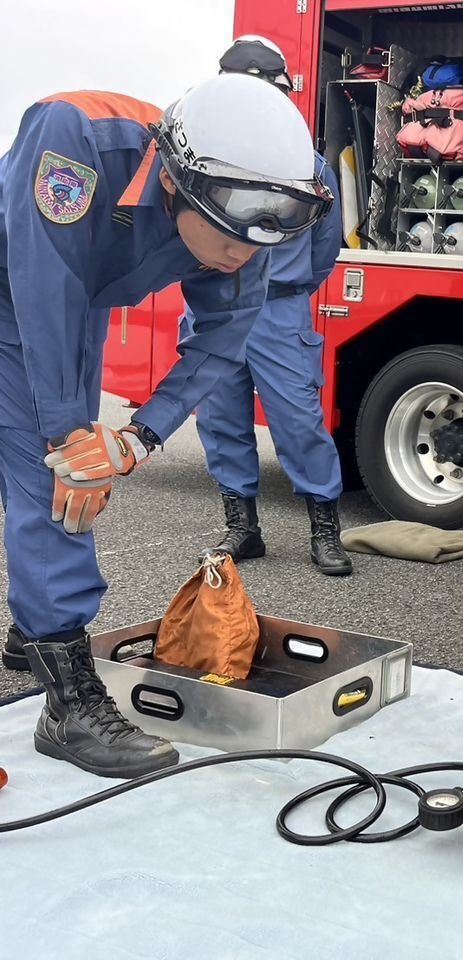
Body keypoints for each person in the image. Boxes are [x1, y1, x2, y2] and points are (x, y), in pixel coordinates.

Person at [0, 73, 332, 779]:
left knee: (71, 473)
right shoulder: (77, 140)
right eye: (231, 236)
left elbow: (223, 335)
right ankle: (67, 704)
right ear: (178, 184)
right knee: (57, 473)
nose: (244, 254)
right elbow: (43, 281)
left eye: (261, 239)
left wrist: (139, 435)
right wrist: (68, 432)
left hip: (75, 302)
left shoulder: (240, 218)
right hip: (21, 286)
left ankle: (34, 635)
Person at [185, 36, 351, 577]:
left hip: (278, 309)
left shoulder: (309, 165)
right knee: (220, 418)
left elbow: (326, 247)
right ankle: (243, 528)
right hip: (215, 308)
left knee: (299, 421)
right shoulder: (202, 156)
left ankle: (324, 532)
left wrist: (287, 285)